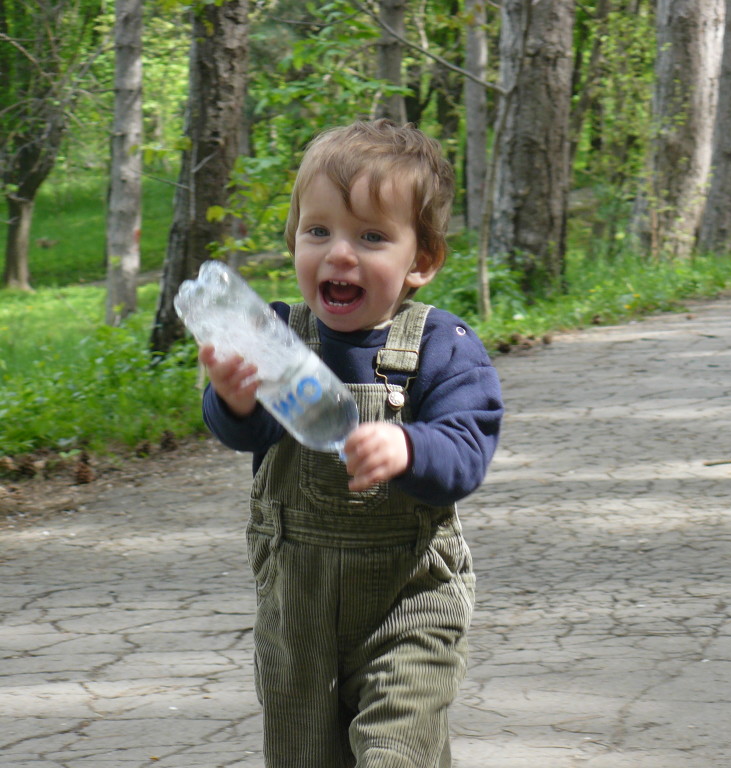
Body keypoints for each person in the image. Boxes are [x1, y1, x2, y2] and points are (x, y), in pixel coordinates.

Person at [198, 119, 503, 767]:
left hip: (408, 603)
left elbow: (467, 449)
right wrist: (233, 399)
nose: (339, 254)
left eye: (370, 237)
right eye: (319, 232)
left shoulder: (442, 346)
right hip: (296, 612)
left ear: (420, 260)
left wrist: (409, 450)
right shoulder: (278, 335)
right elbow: (247, 434)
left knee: (397, 750)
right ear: (294, 240)